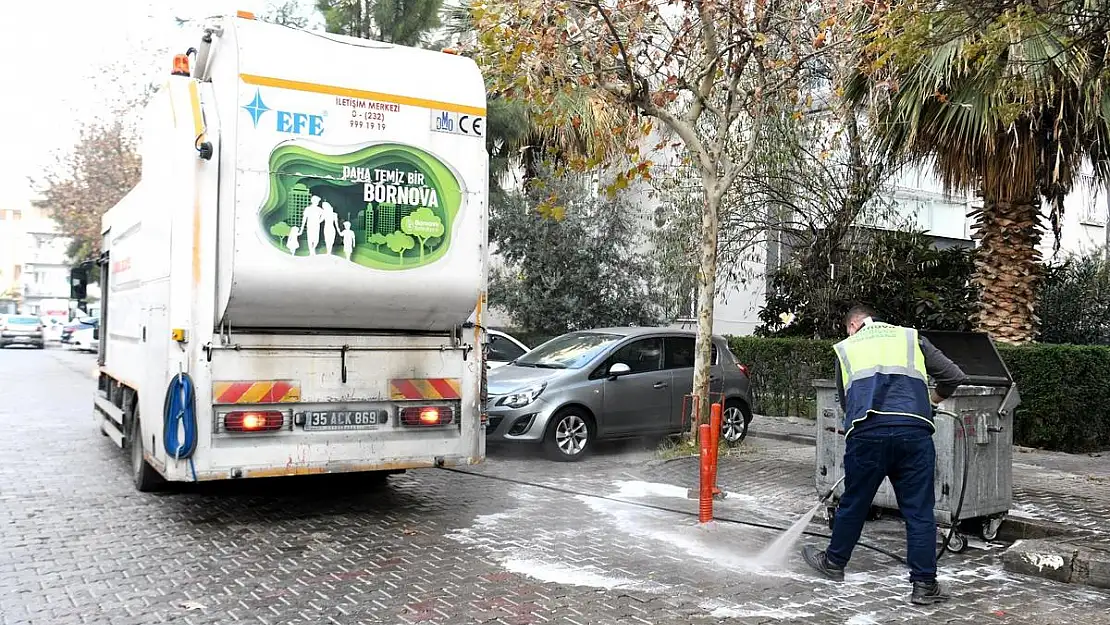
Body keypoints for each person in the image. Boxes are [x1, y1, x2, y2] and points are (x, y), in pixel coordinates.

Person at [801, 304, 968, 605]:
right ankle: (924, 586)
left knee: (854, 502)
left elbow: (845, 402)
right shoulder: (910, 338)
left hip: (867, 434)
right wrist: (930, 402)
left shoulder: (847, 347)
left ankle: (834, 563)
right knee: (918, 511)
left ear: (852, 325)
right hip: (914, 435)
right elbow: (953, 376)